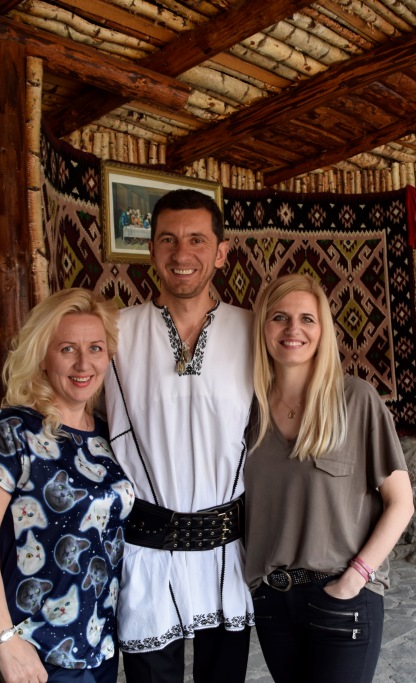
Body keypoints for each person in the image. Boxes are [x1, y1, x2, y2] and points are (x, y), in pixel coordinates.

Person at [104, 189, 254, 683]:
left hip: (226, 554)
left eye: (196, 240)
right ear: (151, 251)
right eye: (167, 240)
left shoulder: (255, 333)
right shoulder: (114, 333)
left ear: (221, 251)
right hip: (146, 551)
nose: (181, 253)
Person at [244, 273, 415, 683]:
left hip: (342, 596)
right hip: (272, 601)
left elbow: (401, 502)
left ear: (323, 331)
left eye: (307, 319)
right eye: (279, 317)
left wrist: (356, 578)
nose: (293, 329)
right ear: (262, 327)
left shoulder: (356, 400)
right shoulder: (246, 410)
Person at [0, 288, 132, 683]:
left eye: (95, 348)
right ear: (42, 355)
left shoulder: (108, 435)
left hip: (102, 646)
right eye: (67, 349)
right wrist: (5, 642)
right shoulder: (12, 430)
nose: (84, 363)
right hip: (39, 651)